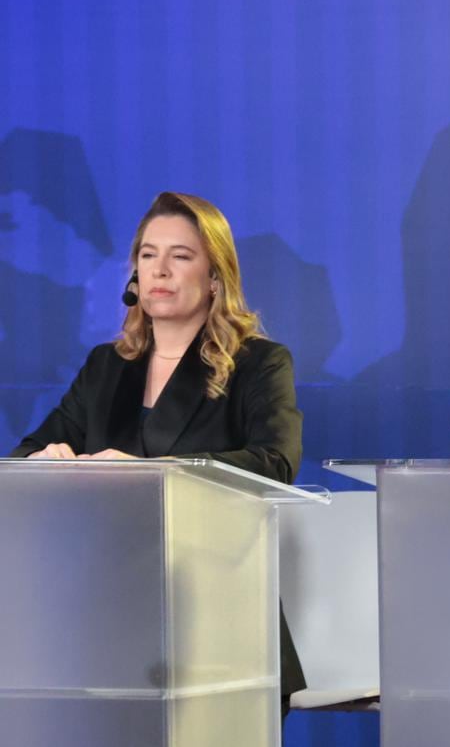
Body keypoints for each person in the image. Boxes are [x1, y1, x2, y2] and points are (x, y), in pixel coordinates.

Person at [11, 191, 307, 716]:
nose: (160, 270)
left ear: (214, 277)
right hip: (110, 629)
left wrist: (151, 473)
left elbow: (275, 463)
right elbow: (27, 452)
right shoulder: (107, 366)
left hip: (223, 624)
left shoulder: (258, 363)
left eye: (181, 255)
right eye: (148, 255)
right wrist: (45, 461)